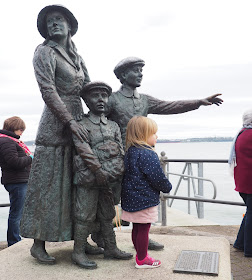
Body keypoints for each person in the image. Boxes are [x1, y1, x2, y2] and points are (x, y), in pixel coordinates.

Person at [106, 56, 223, 250]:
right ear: (123, 75)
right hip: (118, 159)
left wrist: (198, 102)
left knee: (140, 201)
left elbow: (170, 106)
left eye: (141, 70)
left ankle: (142, 237)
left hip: (140, 159)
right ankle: (106, 240)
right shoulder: (112, 100)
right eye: (135, 70)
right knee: (110, 199)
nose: (140, 73)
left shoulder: (144, 100)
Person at [20, 5, 100, 264]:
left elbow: (89, 89)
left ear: (69, 26)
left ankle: (80, 238)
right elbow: (48, 90)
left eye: (59, 20)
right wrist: (68, 121)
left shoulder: (77, 57)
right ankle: (38, 242)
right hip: (55, 126)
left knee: (78, 184)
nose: (54, 24)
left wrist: (104, 114)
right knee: (48, 186)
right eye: (49, 21)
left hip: (78, 122)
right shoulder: (44, 52)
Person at [71, 81, 133, 269]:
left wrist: (117, 171)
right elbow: (83, 150)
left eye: (104, 96)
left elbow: (120, 150)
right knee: (85, 215)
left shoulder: (113, 125)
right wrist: (99, 171)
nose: (100, 99)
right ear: (86, 100)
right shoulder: (80, 124)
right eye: (95, 96)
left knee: (107, 214)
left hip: (110, 179)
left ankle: (111, 247)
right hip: (88, 179)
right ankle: (78, 251)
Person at [121, 116, 172, 268]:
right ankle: (142, 259)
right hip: (144, 200)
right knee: (144, 229)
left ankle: (140, 253)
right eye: (154, 133)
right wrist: (167, 187)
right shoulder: (148, 154)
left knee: (136, 228)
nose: (157, 136)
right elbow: (157, 177)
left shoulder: (130, 152)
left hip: (131, 199)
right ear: (143, 135)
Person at [0, 116, 32, 246]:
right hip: (17, 181)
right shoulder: (7, 142)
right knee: (16, 213)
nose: (22, 132)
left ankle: (15, 239)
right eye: (20, 129)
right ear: (14, 128)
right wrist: (31, 158)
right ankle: (14, 241)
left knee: (17, 212)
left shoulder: (7, 140)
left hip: (17, 180)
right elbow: (14, 162)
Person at [229, 109, 252, 257]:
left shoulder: (242, 133)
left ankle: (240, 243)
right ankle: (249, 249)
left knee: (250, 211)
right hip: (250, 183)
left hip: (243, 182)